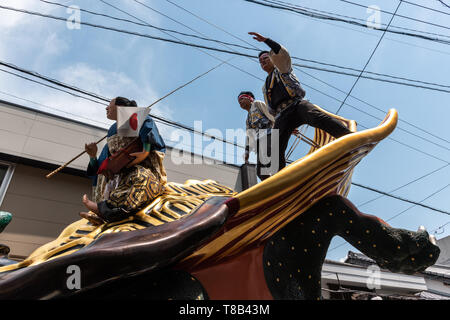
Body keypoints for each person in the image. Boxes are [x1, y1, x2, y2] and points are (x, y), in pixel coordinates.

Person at [249, 32, 352, 172]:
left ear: (273, 59)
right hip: (281, 115)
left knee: (316, 116)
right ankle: (279, 177)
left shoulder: (282, 69)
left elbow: (281, 54)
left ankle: (349, 139)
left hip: (297, 104)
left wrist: (266, 41)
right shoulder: (265, 87)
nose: (263, 62)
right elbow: (270, 109)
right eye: (260, 61)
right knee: (274, 148)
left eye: (265, 58)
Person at [80, 97, 167, 225]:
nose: (106, 107)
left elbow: (147, 144)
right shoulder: (111, 130)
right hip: (117, 175)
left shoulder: (139, 119)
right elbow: (102, 165)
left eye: (110, 104)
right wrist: (92, 156)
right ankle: (101, 213)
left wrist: (137, 156)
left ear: (120, 107)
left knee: (140, 177)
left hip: (140, 168)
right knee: (108, 187)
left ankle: (105, 211)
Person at [238, 91, 274, 181]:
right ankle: (271, 186)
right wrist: (247, 152)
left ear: (249, 98)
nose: (240, 102)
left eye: (242, 99)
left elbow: (271, 115)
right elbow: (249, 136)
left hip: (269, 135)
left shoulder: (258, 104)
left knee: (269, 161)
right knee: (260, 171)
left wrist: (283, 125)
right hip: (259, 143)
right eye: (239, 102)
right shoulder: (248, 119)